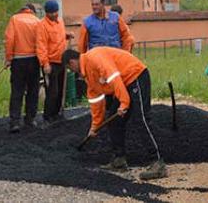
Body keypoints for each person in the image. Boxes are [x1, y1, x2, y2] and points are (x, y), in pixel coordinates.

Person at [62, 47, 166, 180]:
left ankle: (157, 163)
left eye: (70, 68)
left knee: (141, 119)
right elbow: (96, 102)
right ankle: (119, 160)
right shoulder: (88, 77)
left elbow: (114, 76)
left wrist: (124, 103)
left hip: (135, 76)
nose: (72, 71)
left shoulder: (94, 58)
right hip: (123, 84)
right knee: (114, 122)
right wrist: (95, 127)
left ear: (72, 62)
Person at [4, 3, 41, 133]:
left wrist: (8, 58)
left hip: (18, 60)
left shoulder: (14, 19)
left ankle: (15, 122)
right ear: (32, 11)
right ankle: (30, 119)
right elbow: (40, 41)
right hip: (34, 60)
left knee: (17, 91)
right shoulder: (37, 21)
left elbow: (10, 39)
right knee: (33, 90)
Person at [36, 0, 69, 124]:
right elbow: (41, 46)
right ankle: (48, 116)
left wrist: (66, 35)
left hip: (62, 60)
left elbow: (58, 37)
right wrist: (45, 63)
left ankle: (57, 113)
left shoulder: (60, 22)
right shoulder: (42, 25)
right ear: (47, 13)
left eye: (56, 11)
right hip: (51, 63)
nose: (55, 14)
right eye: (52, 12)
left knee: (61, 89)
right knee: (52, 91)